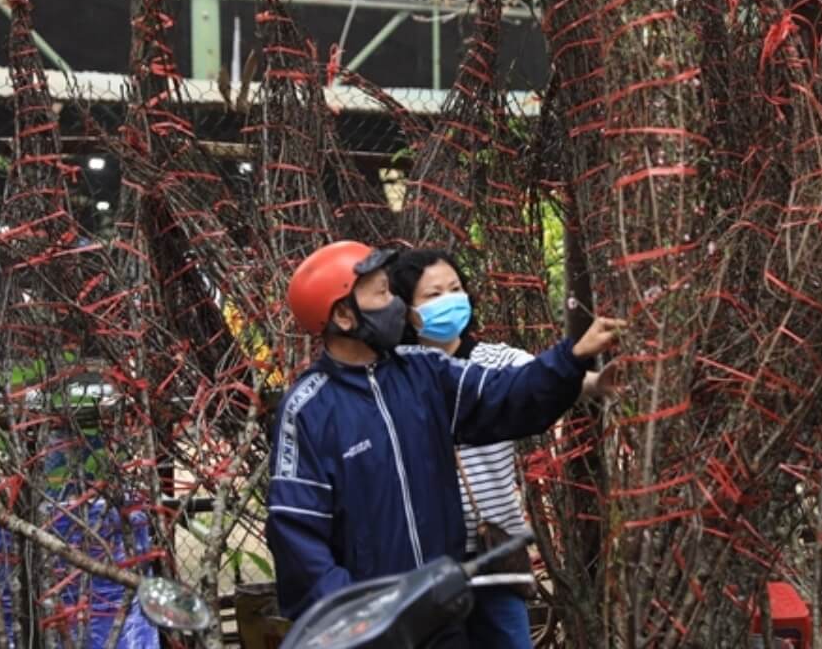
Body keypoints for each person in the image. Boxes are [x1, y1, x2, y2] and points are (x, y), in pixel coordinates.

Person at [265, 241, 622, 649]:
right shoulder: (309, 408)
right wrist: (352, 618)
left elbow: (505, 394)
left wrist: (572, 356)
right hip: (370, 631)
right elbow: (296, 532)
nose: (395, 304)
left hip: (440, 611)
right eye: (382, 294)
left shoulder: (423, 374)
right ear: (344, 316)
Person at [388, 249, 614, 649]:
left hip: (494, 549)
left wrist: (596, 383)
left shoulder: (496, 360)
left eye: (455, 289)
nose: (449, 300)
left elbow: (535, 381)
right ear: (406, 311)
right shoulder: (397, 373)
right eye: (433, 295)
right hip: (428, 557)